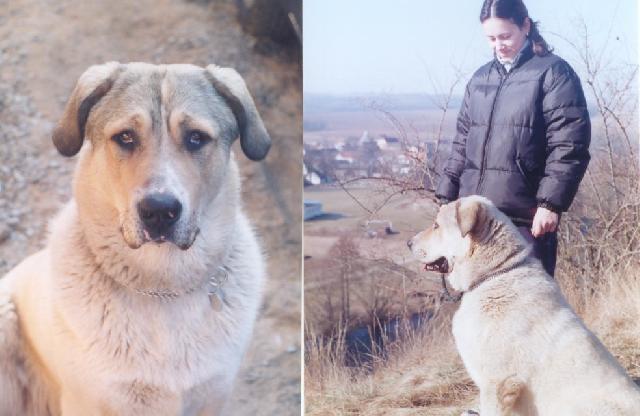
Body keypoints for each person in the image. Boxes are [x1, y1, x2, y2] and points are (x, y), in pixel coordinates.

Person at [435, 0, 591, 277]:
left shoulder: (554, 73)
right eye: (491, 38)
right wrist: (446, 196)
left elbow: (568, 145)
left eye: (505, 36)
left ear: (526, 26)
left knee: (524, 310)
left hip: (523, 222)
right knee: (482, 309)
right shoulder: (480, 79)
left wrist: (550, 204)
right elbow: (461, 143)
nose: (499, 45)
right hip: (474, 222)